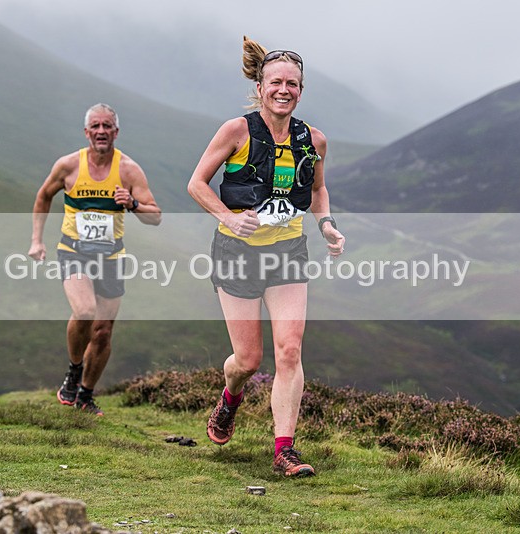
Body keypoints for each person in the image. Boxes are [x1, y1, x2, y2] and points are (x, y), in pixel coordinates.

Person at [187, 37, 345, 476]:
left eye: (292, 83)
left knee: (290, 350)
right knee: (248, 361)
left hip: (288, 253)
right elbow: (197, 184)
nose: (284, 89)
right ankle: (230, 397)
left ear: (300, 90)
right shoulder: (236, 131)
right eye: (275, 81)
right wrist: (229, 218)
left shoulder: (313, 140)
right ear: (260, 86)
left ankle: (284, 450)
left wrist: (327, 224)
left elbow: (316, 190)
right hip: (236, 254)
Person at [29, 103, 161, 416]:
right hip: (74, 251)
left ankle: (85, 396)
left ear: (116, 132)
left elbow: (155, 216)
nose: (101, 132)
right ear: (86, 132)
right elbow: (43, 196)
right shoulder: (68, 166)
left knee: (102, 332)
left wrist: (131, 203)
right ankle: (74, 371)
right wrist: (36, 240)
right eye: (96, 127)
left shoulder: (128, 169)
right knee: (85, 311)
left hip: (111, 256)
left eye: (107, 127)